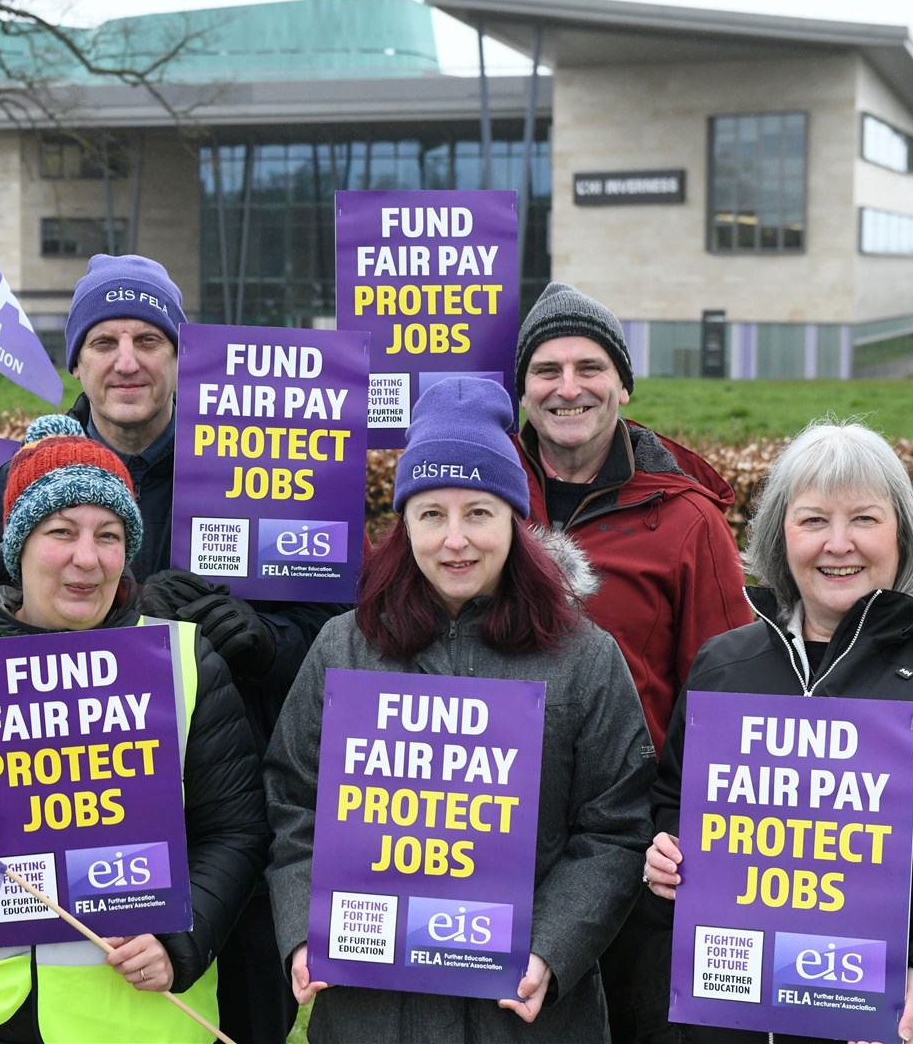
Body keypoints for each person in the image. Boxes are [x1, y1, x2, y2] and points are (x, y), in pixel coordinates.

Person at [0, 253, 341, 1040]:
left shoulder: (259, 460)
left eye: (148, 339)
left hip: (229, 809)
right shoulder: (16, 484)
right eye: (102, 341)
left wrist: (265, 643)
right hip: (67, 820)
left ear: (178, 353)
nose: (126, 361)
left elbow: (336, 643)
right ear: (78, 361)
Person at [266, 376, 655, 1043]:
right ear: (403, 524)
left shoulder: (584, 658)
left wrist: (549, 950)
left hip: (525, 1017)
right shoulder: (343, 648)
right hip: (370, 1012)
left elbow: (615, 831)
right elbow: (293, 802)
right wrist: (305, 929)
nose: (455, 540)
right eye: (431, 514)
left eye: (478, 512)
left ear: (514, 521)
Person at [0, 414, 268, 1043]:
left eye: (109, 535)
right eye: (61, 531)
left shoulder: (186, 660)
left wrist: (179, 943)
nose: (88, 559)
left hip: (138, 1014)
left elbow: (236, 832)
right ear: (18, 545)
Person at [645, 419, 913, 1044]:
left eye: (865, 520)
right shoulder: (724, 666)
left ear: (902, 532)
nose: (838, 544)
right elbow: (674, 800)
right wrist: (665, 851)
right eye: (813, 520)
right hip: (731, 1017)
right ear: (778, 537)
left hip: (902, 1020)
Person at [513, 282, 751, 1043]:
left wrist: (686, 832)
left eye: (589, 367)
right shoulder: (484, 500)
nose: (567, 387)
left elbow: (726, 694)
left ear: (621, 383)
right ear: (521, 389)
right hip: (492, 825)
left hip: (637, 843)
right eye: (546, 370)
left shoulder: (684, 520)